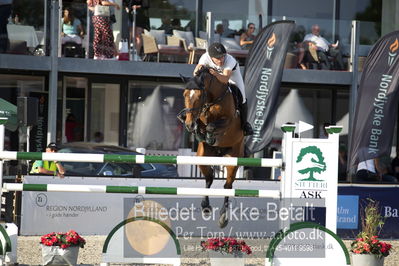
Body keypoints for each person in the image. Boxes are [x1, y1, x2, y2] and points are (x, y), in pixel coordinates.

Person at [193, 42, 253, 136]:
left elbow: (225, 79)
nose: (221, 60)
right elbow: (195, 72)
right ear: (211, 57)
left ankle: (245, 124)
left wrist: (216, 74)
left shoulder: (230, 60)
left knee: (243, 97)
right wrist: (198, 71)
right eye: (218, 58)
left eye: (222, 56)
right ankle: (193, 117)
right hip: (215, 79)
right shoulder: (205, 57)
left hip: (232, 78)